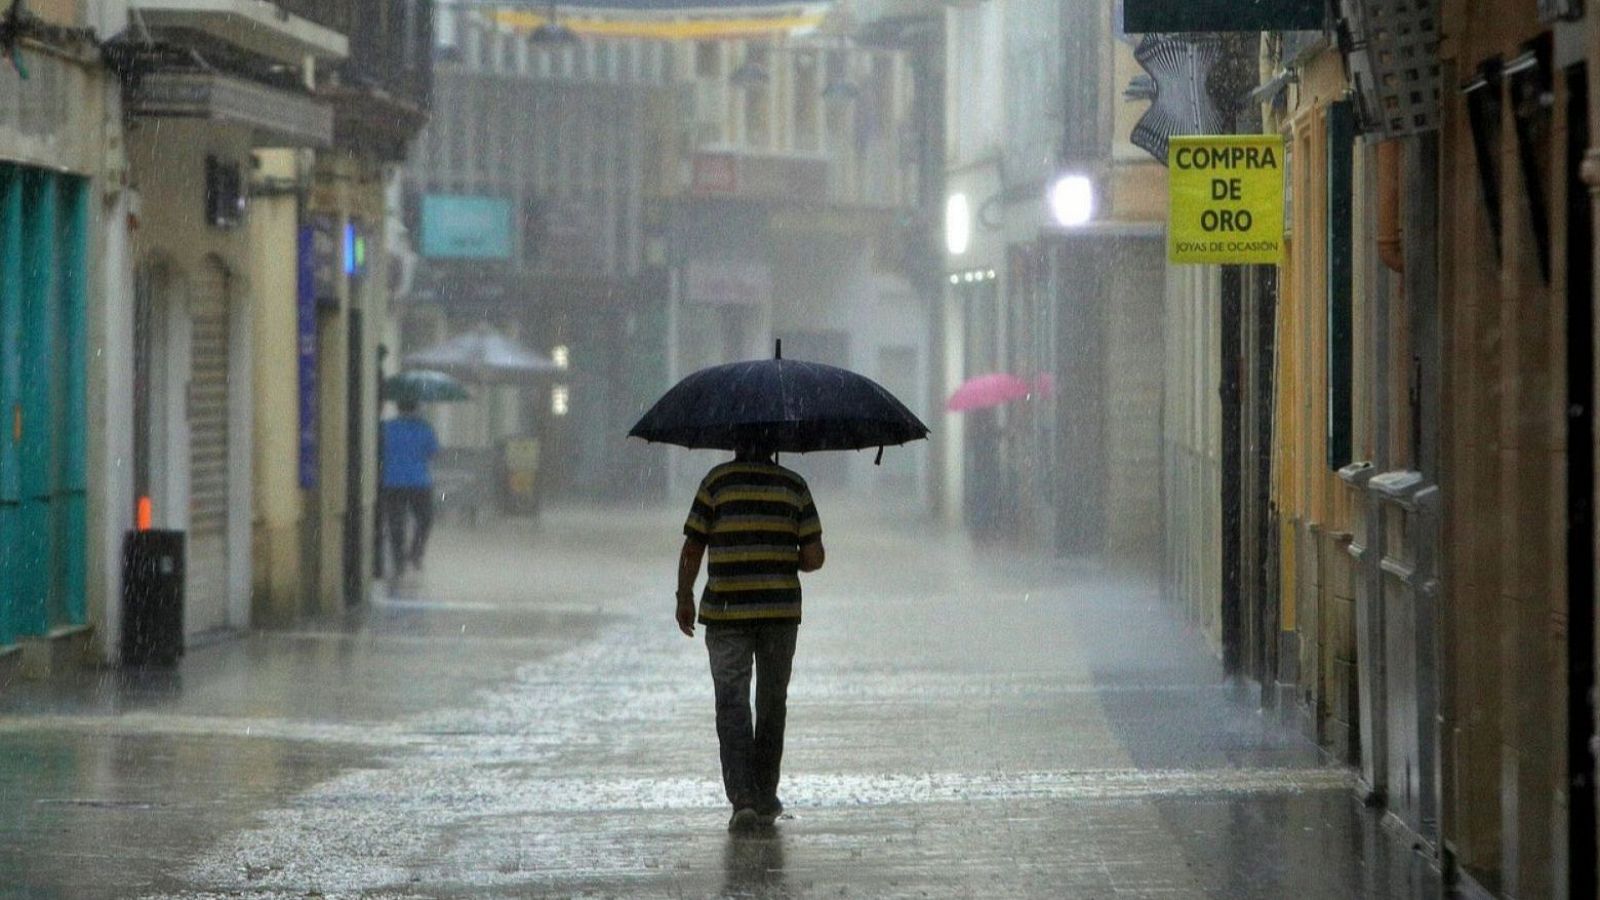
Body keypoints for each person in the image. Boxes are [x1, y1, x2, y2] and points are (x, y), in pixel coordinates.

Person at [676, 442, 825, 834]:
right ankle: (764, 795)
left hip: (725, 613)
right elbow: (814, 557)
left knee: (732, 703)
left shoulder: (716, 483)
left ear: (735, 442)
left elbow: (693, 545)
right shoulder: (795, 487)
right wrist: (777, 553)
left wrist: (683, 595)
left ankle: (742, 798)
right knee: (772, 703)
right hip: (779, 613)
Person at [381, 399, 439, 578]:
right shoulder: (425, 428)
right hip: (419, 482)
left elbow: (378, 450)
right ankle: (415, 552)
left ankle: (398, 562)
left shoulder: (386, 427)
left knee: (396, 523)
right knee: (425, 519)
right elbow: (433, 452)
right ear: (416, 407)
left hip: (392, 481)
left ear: (398, 407)